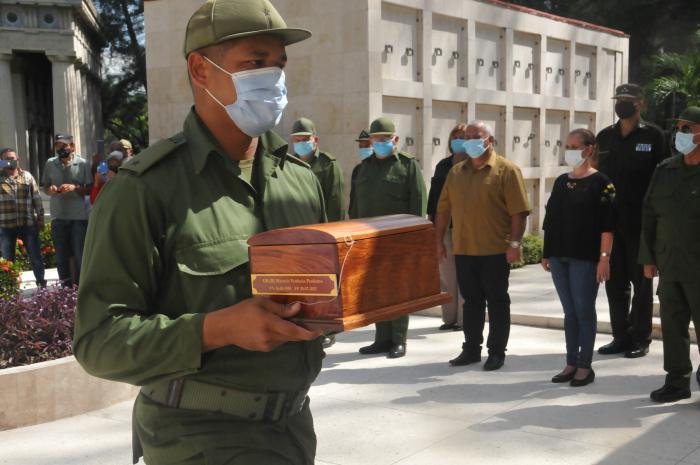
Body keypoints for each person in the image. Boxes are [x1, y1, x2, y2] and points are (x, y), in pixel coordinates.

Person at [72, 1, 328, 464]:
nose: (273, 78)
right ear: (200, 69)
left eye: (278, 64)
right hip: (198, 439)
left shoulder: (300, 178)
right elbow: (99, 341)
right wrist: (217, 328)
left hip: (291, 431)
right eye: (255, 62)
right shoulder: (145, 189)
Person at [435, 121, 530, 371]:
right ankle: (471, 349)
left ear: (489, 140)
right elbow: (443, 209)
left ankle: (496, 351)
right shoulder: (456, 172)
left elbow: (518, 213)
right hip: (464, 250)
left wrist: (515, 244)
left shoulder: (507, 170)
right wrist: (438, 242)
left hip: (496, 250)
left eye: (475, 137)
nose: (470, 141)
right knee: (471, 302)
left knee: (498, 303)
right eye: (467, 137)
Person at [596, 83, 668, 358]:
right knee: (614, 282)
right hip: (611, 221)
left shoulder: (654, 136)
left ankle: (640, 337)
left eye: (628, 100)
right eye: (619, 99)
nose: (622, 104)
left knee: (641, 282)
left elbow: (661, 179)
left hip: (641, 221)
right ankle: (620, 336)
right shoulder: (605, 137)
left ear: (641, 104)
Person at [542, 129, 616, 387]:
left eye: (575, 145)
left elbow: (608, 226)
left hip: (585, 259)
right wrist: (546, 252)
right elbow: (550, 220)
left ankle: (585, 365)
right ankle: (571, 361)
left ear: (589, 148)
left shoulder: (602, 183)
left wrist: (604, 258)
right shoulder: (562, 182)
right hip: (560, 256)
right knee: (569, 312)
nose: (570, 150)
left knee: (584, 311)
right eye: (567, 145)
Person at [349, 116, 427, 359]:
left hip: (397, 240)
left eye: (385, 139)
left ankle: (398, 339)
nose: (380, 143)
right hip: (367, 240)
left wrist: (414, 238)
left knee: (397, 289)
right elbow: (353, 206)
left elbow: (418, 201)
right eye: (375, 139)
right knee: (374, 290)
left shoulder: (407, 166)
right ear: (370, 141)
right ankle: (381, 338)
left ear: (395, 139)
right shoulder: (361, 168)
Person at [640, 106, 700, 403]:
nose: (681, 134)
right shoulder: (665, 169)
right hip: (670, 264)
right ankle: (677, 381)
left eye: (688, 129)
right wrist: (648, 258)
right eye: (679, 128)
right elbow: (650, 215)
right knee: (673, 327)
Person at [427, 123, 467, 331]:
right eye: (455, 137)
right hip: (444, 227)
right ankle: (449, 318)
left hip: (466, 228)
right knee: (447, 275)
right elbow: (434, 197)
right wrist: (433, 224)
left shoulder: (473, 165)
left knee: (464, 276)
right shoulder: (443, 165)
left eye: (463, 136)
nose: (458, 140)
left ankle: (463, 319)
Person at [42, 133, 91, 287]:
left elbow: (89, 189)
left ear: (72, 146)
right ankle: (65, 288)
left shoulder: (82, 164)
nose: (61, 148)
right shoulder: (50, 163)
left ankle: (81, 287)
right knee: (61, 256)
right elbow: (45, 187)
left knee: (79, 255)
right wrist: (52, 190)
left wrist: (75, 187)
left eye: (64, 145)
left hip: (78, 217)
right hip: (59, 216)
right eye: (58, 146)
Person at [0, 148, 46, 287]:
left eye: (12, 158)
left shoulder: (27, 176)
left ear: (18, 159)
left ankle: (41, 284)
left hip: (28, 223)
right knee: (7, 260)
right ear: (1, 161)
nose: (10, 161)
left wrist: (41, 218)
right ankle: (11, 287)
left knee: (36, 257)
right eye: (6, 158)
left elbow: (37, 198)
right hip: (6, 225)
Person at [290, 117, 345, 222]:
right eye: (297, 140)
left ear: (315, 140)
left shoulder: (328, 164)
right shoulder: (290, 164)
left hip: (320, 229)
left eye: (305, 139)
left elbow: (336, 205)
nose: (301, 142)